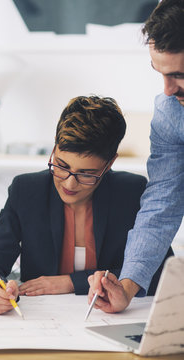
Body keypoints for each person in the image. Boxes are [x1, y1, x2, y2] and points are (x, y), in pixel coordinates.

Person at [0, 95, 173, 315]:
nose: (69, 183)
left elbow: (163, 271)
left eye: (86, 174)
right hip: (40, 321)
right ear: (54, 148)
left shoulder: (130, 192)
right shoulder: (26, 190)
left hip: (106, 319)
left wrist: (71, 282)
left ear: (109, 163)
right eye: (61, 165)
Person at [88, 0, 184, 313]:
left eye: (180, 75)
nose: (168, 90)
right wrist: (127, 287)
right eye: (160, 73)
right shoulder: (171, 113)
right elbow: (162, 205)